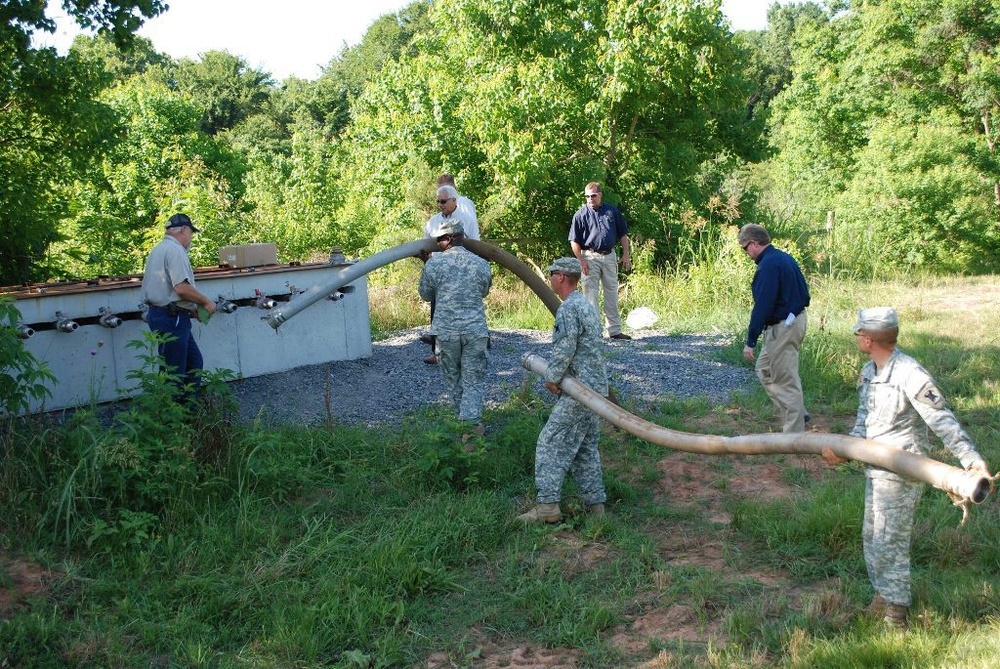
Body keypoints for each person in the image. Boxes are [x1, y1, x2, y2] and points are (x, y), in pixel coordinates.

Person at [822, 307, 990, 629]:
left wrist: (971, 461)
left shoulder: (910, 375)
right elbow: (864, 423)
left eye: (859, 333)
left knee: (890, 542)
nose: (857, 337)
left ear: (869, 339)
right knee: (872, 537)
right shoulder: (870, 371)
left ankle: (896, 616)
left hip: (900, 474)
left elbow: (943, 421)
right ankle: (881, 599)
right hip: (875, 469)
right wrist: (845, 453)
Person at [518, 257, 609, 523]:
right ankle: (596, 507)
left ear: (560, 277)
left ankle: (548, 507)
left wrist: (553, 377)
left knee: (549, 441)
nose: (549, 280)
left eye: (551, 275)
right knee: (585, 448)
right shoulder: (586, 305)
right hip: (594, 389)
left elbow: (566, 347)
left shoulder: (569, 309)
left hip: (580, 390)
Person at [418, 219, 492, 432]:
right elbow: (484, 291)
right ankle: (469, 425)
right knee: (473, 380)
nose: (437, 244)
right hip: (475, 332)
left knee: (454, 380)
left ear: (448, 239)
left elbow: (426, 294)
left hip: (446, 333)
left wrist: (428, 266)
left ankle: (466, 429)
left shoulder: (434, 263)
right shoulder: (481, 263)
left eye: (439, 240)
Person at [738, 223, 810, 433]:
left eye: (745, 248)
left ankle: (794, 436)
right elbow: (805, 293)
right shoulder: (783, 258)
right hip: (793, 321)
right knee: (764, 369)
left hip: (783, 327)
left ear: (754, 243)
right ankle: (799, 412)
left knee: (784, 378)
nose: (746, 253)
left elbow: (763, 305)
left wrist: (750, 341)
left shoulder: (768, 265)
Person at [141, 213, 217, 396]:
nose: (191, 238)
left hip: (164, 314)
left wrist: (191, 309)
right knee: (174, 374)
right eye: (191, 233)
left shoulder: (159, 249)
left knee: (193, 364)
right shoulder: (175, 250)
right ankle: (173, 419)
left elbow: (166, 290)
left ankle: (189, 414)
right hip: (171, 318)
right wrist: (205, 301)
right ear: (183, 229)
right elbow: (181, 288)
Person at [421, 184, 480, 364]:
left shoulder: (467, 220)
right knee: (437, 311)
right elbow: (425, 246)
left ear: (454, 200)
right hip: (441, 272)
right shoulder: (432, 222)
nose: (440, 204)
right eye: (438, 201)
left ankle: (468, 351)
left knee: (466, 310)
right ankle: (437, 352)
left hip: (463, 271)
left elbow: (477, 245)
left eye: (444, 201)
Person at [569, 181, 632, 340]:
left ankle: (615, 331)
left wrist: (626, 254)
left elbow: (623, 234)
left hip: (609, 256)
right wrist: (581, 260)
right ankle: (593, 332)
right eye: (587, 196)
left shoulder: (611, 211)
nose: (590, 199)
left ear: (600, 195)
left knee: (611, 292)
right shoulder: (580, 215)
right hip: (589, 257)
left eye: (593, 195)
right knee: (590, 294)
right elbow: (574, 241)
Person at [437, 173, 479, 241]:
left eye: (445, 189)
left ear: (453, 187)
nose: (441, 192)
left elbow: (471, 228)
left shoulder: (463, 202)